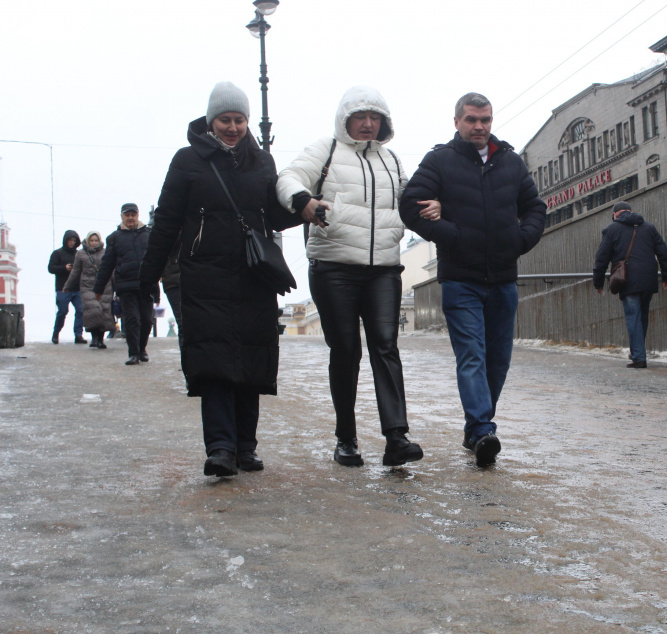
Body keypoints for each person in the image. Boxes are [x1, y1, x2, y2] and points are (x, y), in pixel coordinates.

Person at [139, 81, 303, 478]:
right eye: (225, 120)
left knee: (250, 359)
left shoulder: (263, 161)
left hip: (253, 276)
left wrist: (305, 208)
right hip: (204, 275)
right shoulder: (187, 160)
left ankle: (246, 447)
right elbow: (165, 222)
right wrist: (148, 275)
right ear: (211, 121)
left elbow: (273, 215)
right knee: (213, 361)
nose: (232, 127)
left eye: (239, 120)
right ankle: (220, 448)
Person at [277, 86, 439, 468]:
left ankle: (397, 438)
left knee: (386, 345)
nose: (368, 124)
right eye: (360, 117)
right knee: (346, 351)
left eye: (375, 117)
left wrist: (434, 203)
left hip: (383, 268)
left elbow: (411, 198)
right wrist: (304, 201)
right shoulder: (326, 150)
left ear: (384, 122)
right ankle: (346, 439)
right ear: (344, 119)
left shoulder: (391, 160)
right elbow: (288, 178)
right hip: (334, 267)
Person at [399, 92, 547, 467]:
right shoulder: (440, 160)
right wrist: (451, 234)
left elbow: (535, 208)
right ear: (457, 122)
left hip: (503, 279)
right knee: (472, 357)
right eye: (471, 119)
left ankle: (475, 429)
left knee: (498, 361)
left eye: (485, 119)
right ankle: (483, 430)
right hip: (460, 279)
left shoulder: (511, 162)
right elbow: (410, 204)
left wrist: (521, 239)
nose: (479, 126)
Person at [592, 201, 667, 368]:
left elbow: (602, 258)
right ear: (630, 211)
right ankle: (638, 352)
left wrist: (598, 282)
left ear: (615, 214)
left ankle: (638, 356)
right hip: (648, 278)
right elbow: (663, 253)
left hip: (627, 279)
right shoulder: (649, 228)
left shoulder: (612, 230)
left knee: (633, 317)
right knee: (642, 317)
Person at [94, 203, 156, 366]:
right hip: (125, 285)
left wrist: (157, 284)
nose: (130, 217)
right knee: (132, 319)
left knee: (147, 320)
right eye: (126, 215)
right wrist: (99, 288)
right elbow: (106, 264)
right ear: (122, 216)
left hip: (146, 284)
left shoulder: (148, 235)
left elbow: (156, 260)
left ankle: (142, 348)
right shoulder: (114, 238)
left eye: (132, 214)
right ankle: (134, 353)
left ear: (137, 215)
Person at [63, 231, 115, 349]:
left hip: (104, 286)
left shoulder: (106, 252)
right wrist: (68, 286)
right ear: (87, 241)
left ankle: (100, 339)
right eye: (92, 240)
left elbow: (112, 269)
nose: (94, 243)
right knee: (92, 312)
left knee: (103, 312)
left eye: (96, 240)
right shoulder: (81, 254)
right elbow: (76, 271)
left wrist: (117, 285)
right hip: (87, 286)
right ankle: (94, 338)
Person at [48, 229, 86, 344]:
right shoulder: (57, 253)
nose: (72, 242)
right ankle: (56, 333)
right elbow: (51, 268)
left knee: (80, 310)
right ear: (66, 240)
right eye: (70, 240)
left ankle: (78, 335)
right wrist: (64, 268)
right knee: (63, 311)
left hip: (77, 288)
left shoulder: (79, 254)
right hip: (63, 288)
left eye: (74, 240)